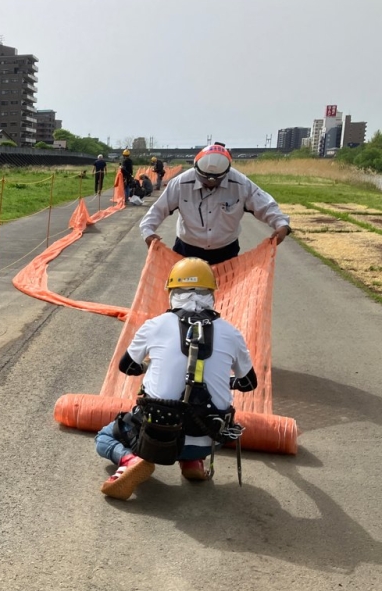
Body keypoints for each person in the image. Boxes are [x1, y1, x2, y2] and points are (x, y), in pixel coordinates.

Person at [96, 258, 258, 500]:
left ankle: (130, 459)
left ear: (172, 292)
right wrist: (225, 381)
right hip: (209, 439)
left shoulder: (155, 325)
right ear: (211, 293)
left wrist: (148, 366)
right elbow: (248, 383)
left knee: (104, 437)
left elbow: (127, 367)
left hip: (156, 435)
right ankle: (193, 461)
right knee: (200, 408)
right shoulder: (232, 332)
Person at [140, 143, 291, 265]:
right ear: (197, 170)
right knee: (183, 298)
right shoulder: (181, 183)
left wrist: (281, 224)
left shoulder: (240, 183)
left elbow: (265, 205)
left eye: (216, 181)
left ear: (226, 173)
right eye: (205, 180)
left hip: (225, 253)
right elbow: (158, 209)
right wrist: (148, 231)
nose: (210, 185)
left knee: (225, 298)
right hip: (187, 251)